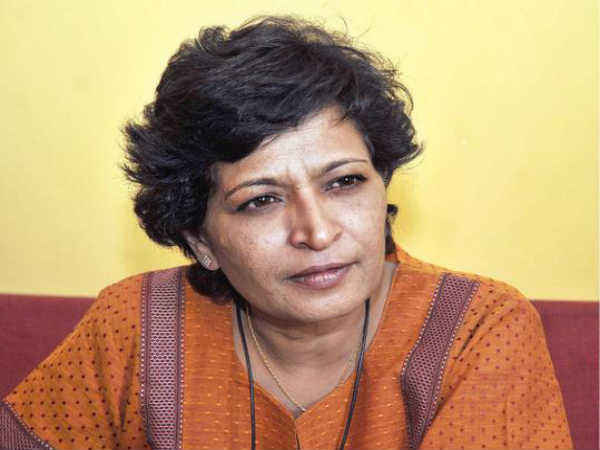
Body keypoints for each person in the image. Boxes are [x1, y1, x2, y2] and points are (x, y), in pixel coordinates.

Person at [1, 16, 572, 450]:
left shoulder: (476, 327)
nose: (317, 232)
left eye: (344, 182)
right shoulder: (135, 324)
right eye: (261, 200)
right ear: (201, 242)